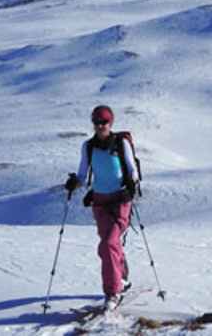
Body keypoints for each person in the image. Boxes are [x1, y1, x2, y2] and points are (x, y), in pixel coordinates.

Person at [63, 104, 140, 303]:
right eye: (96, 122)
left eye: (104, 122)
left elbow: (132, 169)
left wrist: (132, 184)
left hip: (121, 200)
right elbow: (82, 173)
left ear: (110, 122)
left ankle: (113, 293)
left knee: (108, 243)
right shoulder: (88, 147)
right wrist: (75, 183)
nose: (100, 126)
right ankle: (121, 277)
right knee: (108, 245)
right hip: (100, 201)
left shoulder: (121, 144)